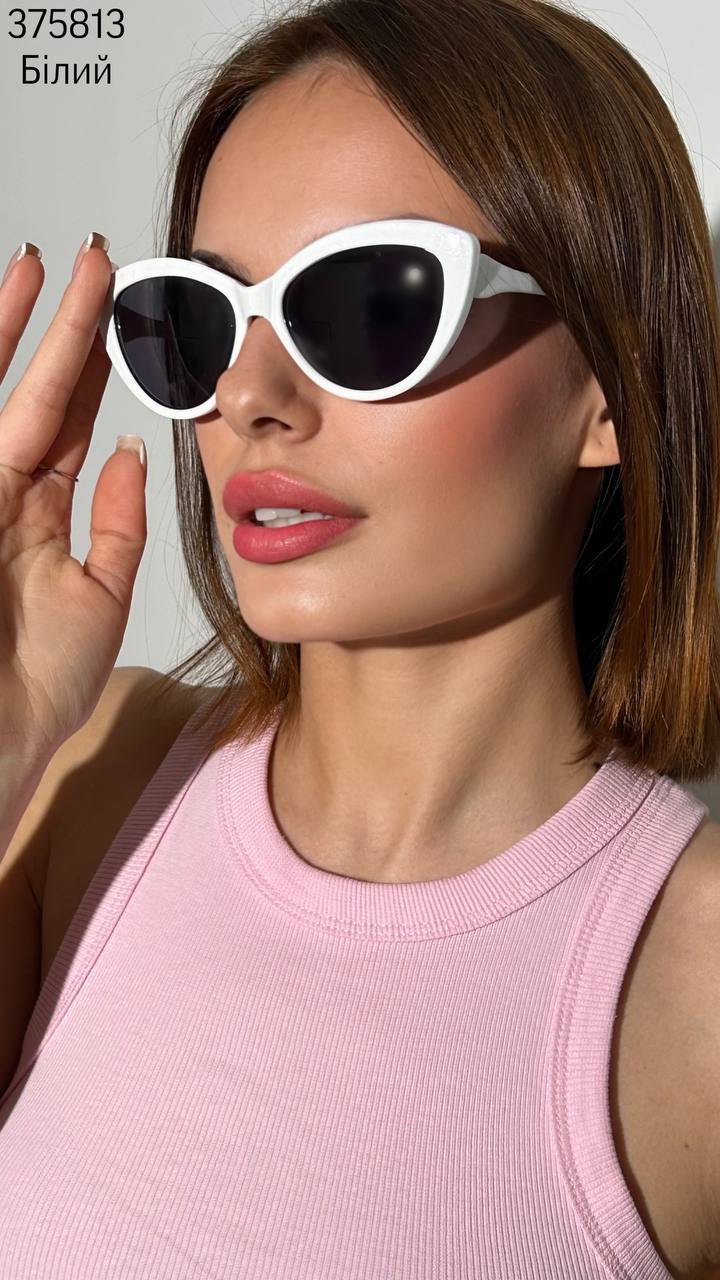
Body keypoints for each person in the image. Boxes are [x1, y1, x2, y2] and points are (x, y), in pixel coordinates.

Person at [0, 0, 719, 1275]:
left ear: (612, 385)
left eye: (374, 304)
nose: (250, 396)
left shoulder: (691, 973)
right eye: (203, 320)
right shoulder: (87, 774)